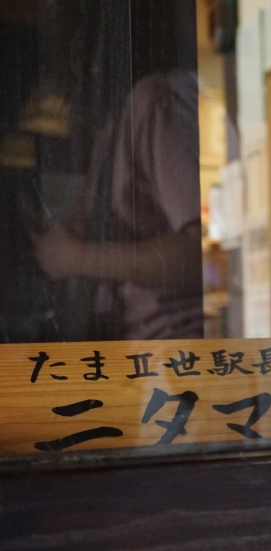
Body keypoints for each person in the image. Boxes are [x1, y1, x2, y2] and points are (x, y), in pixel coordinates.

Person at [29, 1, 203, 340]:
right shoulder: (114, 124)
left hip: (175, 362)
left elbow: (200, 255)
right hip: (135, 360)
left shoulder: (156, 102)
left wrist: (77, 258)